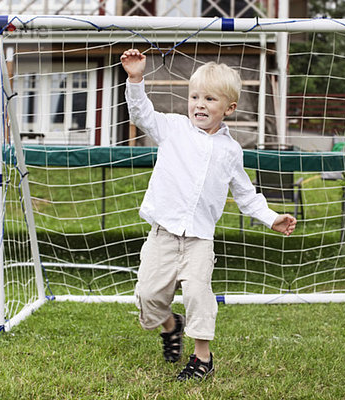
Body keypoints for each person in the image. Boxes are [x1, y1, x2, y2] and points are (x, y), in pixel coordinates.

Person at [121, 49, 297, 381]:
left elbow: (247, 196)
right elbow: (141, 113)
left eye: (210, 99)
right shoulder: (172, 129)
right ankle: (171, 326)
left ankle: (202, 358)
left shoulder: (231, 151)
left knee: (198, 294)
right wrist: (135, 79)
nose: (199, 104)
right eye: (195, 96)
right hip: (163, 233)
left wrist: (272, 217)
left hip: (199, 239)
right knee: (148, 297)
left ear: (229, 108)